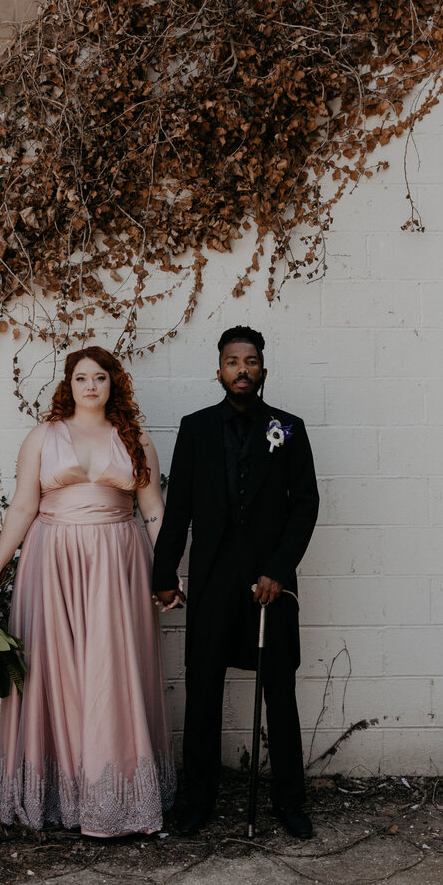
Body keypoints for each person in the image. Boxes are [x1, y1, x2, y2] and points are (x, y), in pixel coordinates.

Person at [0, 345, 176, 836]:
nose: (91, 386)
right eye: (81, 378)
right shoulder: (43, 436)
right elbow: (23, 507)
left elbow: (153, 512)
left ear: (114, 384)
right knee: (57, 669)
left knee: (113, 668)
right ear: (68, 384)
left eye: (100, 378)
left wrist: (167, 573)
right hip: (53, 560)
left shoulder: (136, 439)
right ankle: (60, 793)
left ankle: (116, 797)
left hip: (118, 561)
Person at [152, 326, 319, 838]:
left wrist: (278, 570)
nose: (241, 369)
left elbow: (305, 504)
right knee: (203, 690)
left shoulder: (288, 428)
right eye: (232, 361)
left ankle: (289, 801)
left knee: (280, 692)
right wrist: (164, 573)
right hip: (211, 581)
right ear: (219, 370)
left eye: (250, 361)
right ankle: (197, 802)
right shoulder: (195, 427)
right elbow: (177, 507)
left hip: (271, 582)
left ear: (263, 370)